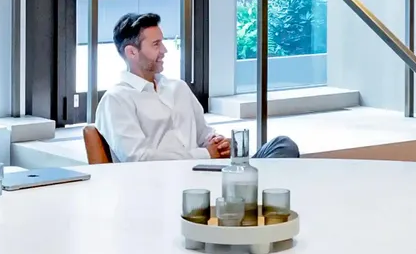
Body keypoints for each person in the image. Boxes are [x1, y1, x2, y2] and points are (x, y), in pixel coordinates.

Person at [93, 10, 301, 162]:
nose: (164, 50)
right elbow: (137, 158)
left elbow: (203, 133)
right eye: (156, 44)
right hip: (165, 184)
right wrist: (204, 154)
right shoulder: (117, 100)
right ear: (131, 52)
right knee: (271, 174)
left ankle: (249, 190)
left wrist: (217, 141)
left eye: (162, 42)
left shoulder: (178, 87)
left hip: (207, 173)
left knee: (283, 145)